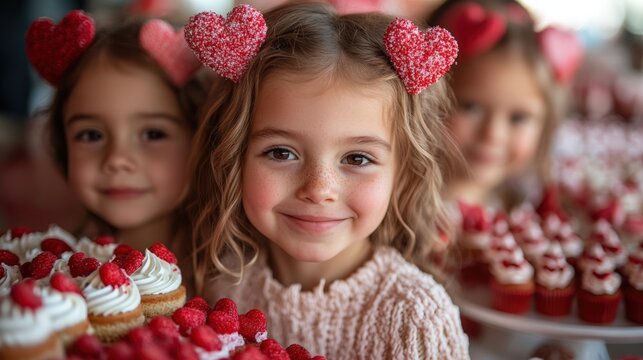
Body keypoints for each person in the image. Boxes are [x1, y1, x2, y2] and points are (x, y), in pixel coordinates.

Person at [186, 3, 468, 359]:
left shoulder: (417, 318)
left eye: (357, 158)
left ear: (404, 173)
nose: (318, 189)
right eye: (281, 153)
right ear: (233, 156)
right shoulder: (226, 286)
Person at [25, 11, 209, 262]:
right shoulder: (53, 264)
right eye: (91, 135)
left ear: (201, 137)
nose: (116, 159)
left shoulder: (233, 275)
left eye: (153, 134)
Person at [427, 0, 582, 210]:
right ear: (427, 98)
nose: (493, 134)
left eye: (518, 117)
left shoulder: (523, 208)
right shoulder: (392, 215)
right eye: (471, 107)